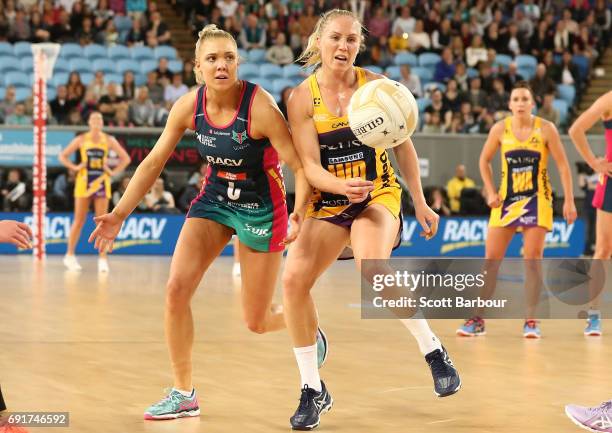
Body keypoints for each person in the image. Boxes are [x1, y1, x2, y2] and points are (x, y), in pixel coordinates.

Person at [88, 24, 316, 422]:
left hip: (262, 206)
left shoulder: (259, 107)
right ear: (197, 68)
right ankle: (183, 393)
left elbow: (298, 165)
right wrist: (120, 213)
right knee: (176, 290)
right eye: (212, 59)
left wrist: (300, 214)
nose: (221, 65)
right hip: (214, 200)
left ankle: (307, 326)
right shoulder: (187, 106)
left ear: (238, 63)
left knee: (257, 322)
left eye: (228, 57)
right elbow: (154, 161)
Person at [284, 9, 460, 431]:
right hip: (330, 197)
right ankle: (313, 389)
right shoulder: (301, 98)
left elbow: (403, 149)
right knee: (292, 282)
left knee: (373, 268)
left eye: (350, 40)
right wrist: (338, 188)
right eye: (335, 39)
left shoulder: (378, 87)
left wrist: (420, 202)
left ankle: (433, 350)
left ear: (358, 45)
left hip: (377, 193)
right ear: (319, 42)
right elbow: (308, 166)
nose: (343, 46)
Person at [457, 82, 577, 338]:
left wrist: (569, 200)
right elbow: (483, 160)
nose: (521, 103)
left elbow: (564, 167)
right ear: (510, 104)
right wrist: (490, 190)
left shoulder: (546, 129)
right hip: (506, 201)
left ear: (532, 103)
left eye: (525, 99)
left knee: (532, 260)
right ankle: (477, 319)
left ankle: (531, 320)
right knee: (491, 262)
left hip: (537, 200)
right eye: (516, 99)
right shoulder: (500, 129)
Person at [58, 112, 131, 273]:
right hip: (84, 182)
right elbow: (62, 156)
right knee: (79, 220)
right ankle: (69, 255)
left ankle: (103, 259)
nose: (97, 121)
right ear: (89, 122)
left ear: (103, 122)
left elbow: (126, 159)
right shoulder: (81, 139)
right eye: (94, 119)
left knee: (102, 222)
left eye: (99, 119)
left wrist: (112, 172)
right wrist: (75, 168)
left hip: (101, 183)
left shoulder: (109, 139)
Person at [569, 90, 612, 336]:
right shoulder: (609, 100)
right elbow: (576, 129)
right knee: (604, 250)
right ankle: (594, 315)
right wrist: (595, 163)